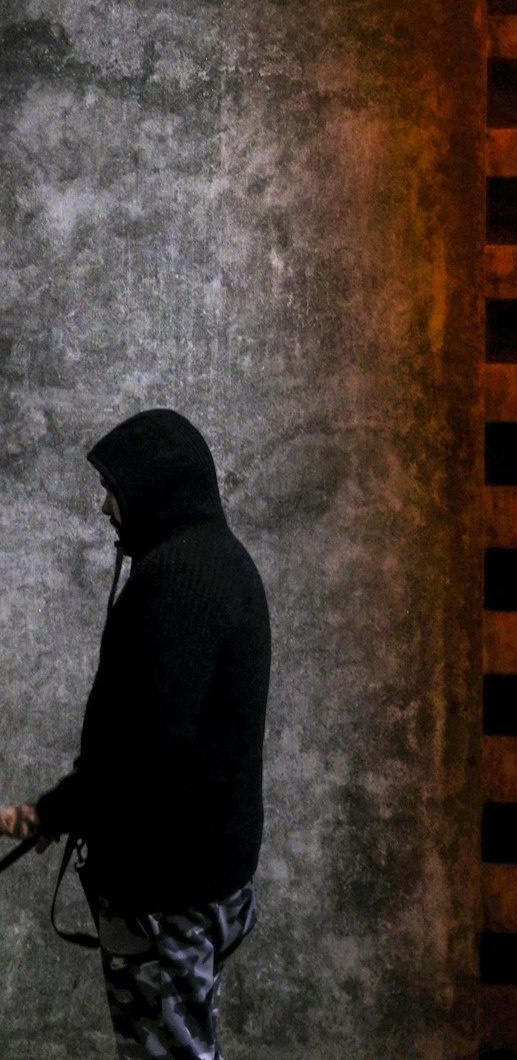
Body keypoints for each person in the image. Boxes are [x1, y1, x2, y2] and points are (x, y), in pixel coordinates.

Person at [0, 408, 271, 1060]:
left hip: (166, 892)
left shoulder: (175, 583)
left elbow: (142, 752)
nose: (104, 506)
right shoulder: (221, 562)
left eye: (114, 489)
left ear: (155, 488)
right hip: (208, 879)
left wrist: (55, 812)